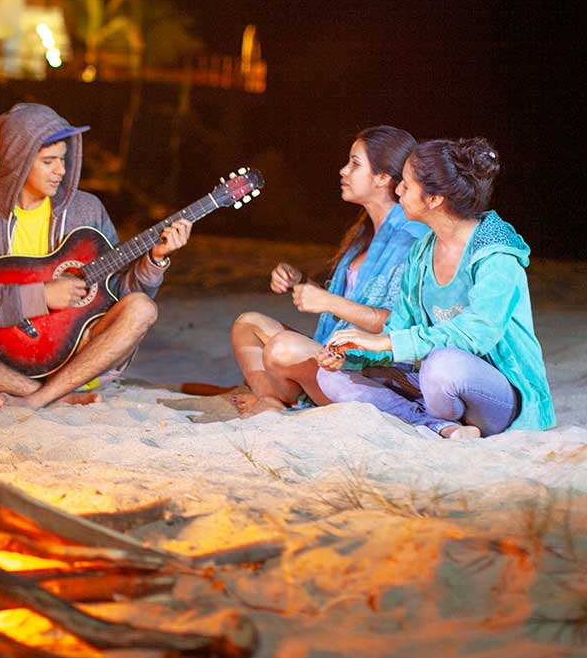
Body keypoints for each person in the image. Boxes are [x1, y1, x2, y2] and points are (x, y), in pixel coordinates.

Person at [0, 102, 191, 409]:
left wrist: (155, 260)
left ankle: (43, 396)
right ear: (18, 162)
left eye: (63, 159)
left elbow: (120, 295)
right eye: (49, 161)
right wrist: (41, 296)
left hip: (78, 359)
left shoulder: (87, 210)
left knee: (142, 308)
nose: (61, 170)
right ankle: (48, 394)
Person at [316, 137, 555, 438]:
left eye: (406, 183)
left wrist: (386, 342)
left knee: (442, 365)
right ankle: (441, 427)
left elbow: (475, 333)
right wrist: (355, 352)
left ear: (434, 199)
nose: (398, 190)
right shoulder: (421, 253)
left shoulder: (495, 253)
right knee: (331, 377)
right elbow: (399, 326)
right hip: (436, 388)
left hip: (498, 394)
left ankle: (442, 419)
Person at [229, 126, 428, 415]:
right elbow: (345, 305)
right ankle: (271, 400)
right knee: (247, 324)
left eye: (355, 164)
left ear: (383, 177)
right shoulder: (364, 235)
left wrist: (327, 301)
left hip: (370, 369)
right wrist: (299, 281)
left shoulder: (409, 238)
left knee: (283, 347)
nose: (343, 171)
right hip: (332, 354)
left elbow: (395, 325)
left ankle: (282, 402)